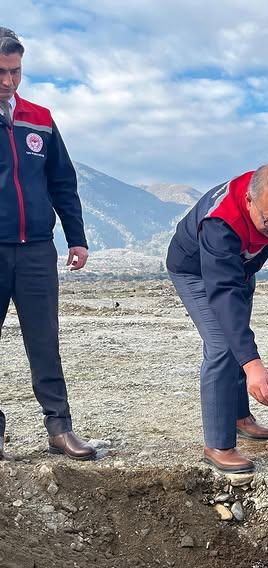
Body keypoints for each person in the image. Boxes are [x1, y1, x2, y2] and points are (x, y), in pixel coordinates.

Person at [166, 164, 268, 474]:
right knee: (221, 344)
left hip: (239, 267)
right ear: (249, 201)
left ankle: (239, 417)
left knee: (237, 338)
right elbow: (223, 294)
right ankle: (218, 445)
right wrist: (253, 366)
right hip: (196, 270)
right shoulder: (220, 222)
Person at [0, 27, 96, 461]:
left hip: (37, 249)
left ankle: (59, 428)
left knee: (45, 342)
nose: (8, 81)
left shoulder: (39, 118)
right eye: (1, 72)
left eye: (16, 71)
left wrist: (76, 237)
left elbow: (62, 180)